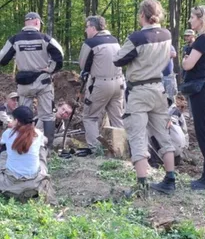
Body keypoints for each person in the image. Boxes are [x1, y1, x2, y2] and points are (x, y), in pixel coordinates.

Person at [114, 0, 176, 196]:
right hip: (159, 88)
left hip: (139, 91)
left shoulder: (137, 38)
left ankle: (142, 184)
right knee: (163, 135)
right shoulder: (167, 34)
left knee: (137, 135)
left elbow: (118, 59)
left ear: (142, 15)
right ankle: (170, 179)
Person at [0, 12, 64, 149]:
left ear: (25, 22)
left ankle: (24, 145)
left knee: (23, 115)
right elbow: (60, 55)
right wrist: (51, 69)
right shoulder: (45, 38)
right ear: (37, 22)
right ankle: (47, 148)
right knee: (47, 115)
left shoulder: (15, 40)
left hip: (24, 84)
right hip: (43, 81)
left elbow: (2, 59)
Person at [181, 5, 205, 190]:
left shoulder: (203, 40)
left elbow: (188, 65)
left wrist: (184, 59)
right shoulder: (204, 39)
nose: (190, 20)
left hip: (203, 91)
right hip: (202, 90)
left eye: (192, 17)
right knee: (203, 132)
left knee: (204, 133)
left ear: (201, 19)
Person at [78, 16, 125, 151]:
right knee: (117, 118)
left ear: (93, 28)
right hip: (119, 83)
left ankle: (95, 150)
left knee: (90, 117)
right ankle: (121, 149)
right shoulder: (115, 40)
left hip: (100, 84)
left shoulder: (91, 43)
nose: (86, 30)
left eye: (87, 27)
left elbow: (83, 64)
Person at [0, 106, 53, 201]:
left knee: (4, 151)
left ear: (17, 120)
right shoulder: (38, 134)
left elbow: (3, 144)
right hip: (34, 185)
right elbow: (45, 141)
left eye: (13, 119)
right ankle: (43, 171)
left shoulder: (8, 133)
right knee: (41, 149)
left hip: (10, 184)